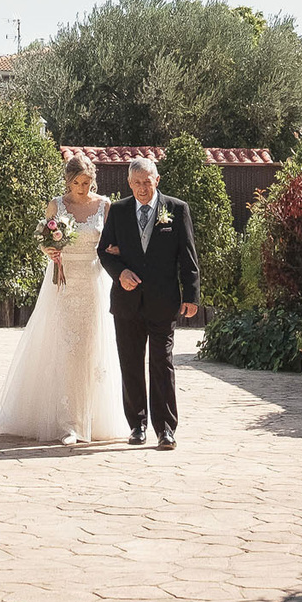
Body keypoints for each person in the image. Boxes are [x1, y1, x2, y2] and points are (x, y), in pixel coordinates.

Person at [0, 157, 128, 443]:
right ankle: (68, 424)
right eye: (76, 183)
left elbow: (112, 242)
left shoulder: (104, 205)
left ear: (93, 180)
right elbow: (45, 239)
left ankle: (91, 419)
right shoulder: (57, 205)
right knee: (63, 347)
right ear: (68, 180)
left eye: (86, 183)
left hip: (91, 282)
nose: (81, 188)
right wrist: (48, 251)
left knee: (90, 348)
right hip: (62, 283)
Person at [97, 156, 198, 449]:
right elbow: (104, 252)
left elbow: (188, 257)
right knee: (130, 364)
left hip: (163, 301)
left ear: (157, 180)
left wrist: (191, 296)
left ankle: (166, 429)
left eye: (147, 181)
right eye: (137, 182)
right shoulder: (118, 211)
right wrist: (120, 273)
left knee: (162, 363)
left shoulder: (177, 210)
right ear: (129, 183)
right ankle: (137, 425)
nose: (142, 187)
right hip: (127, 302)